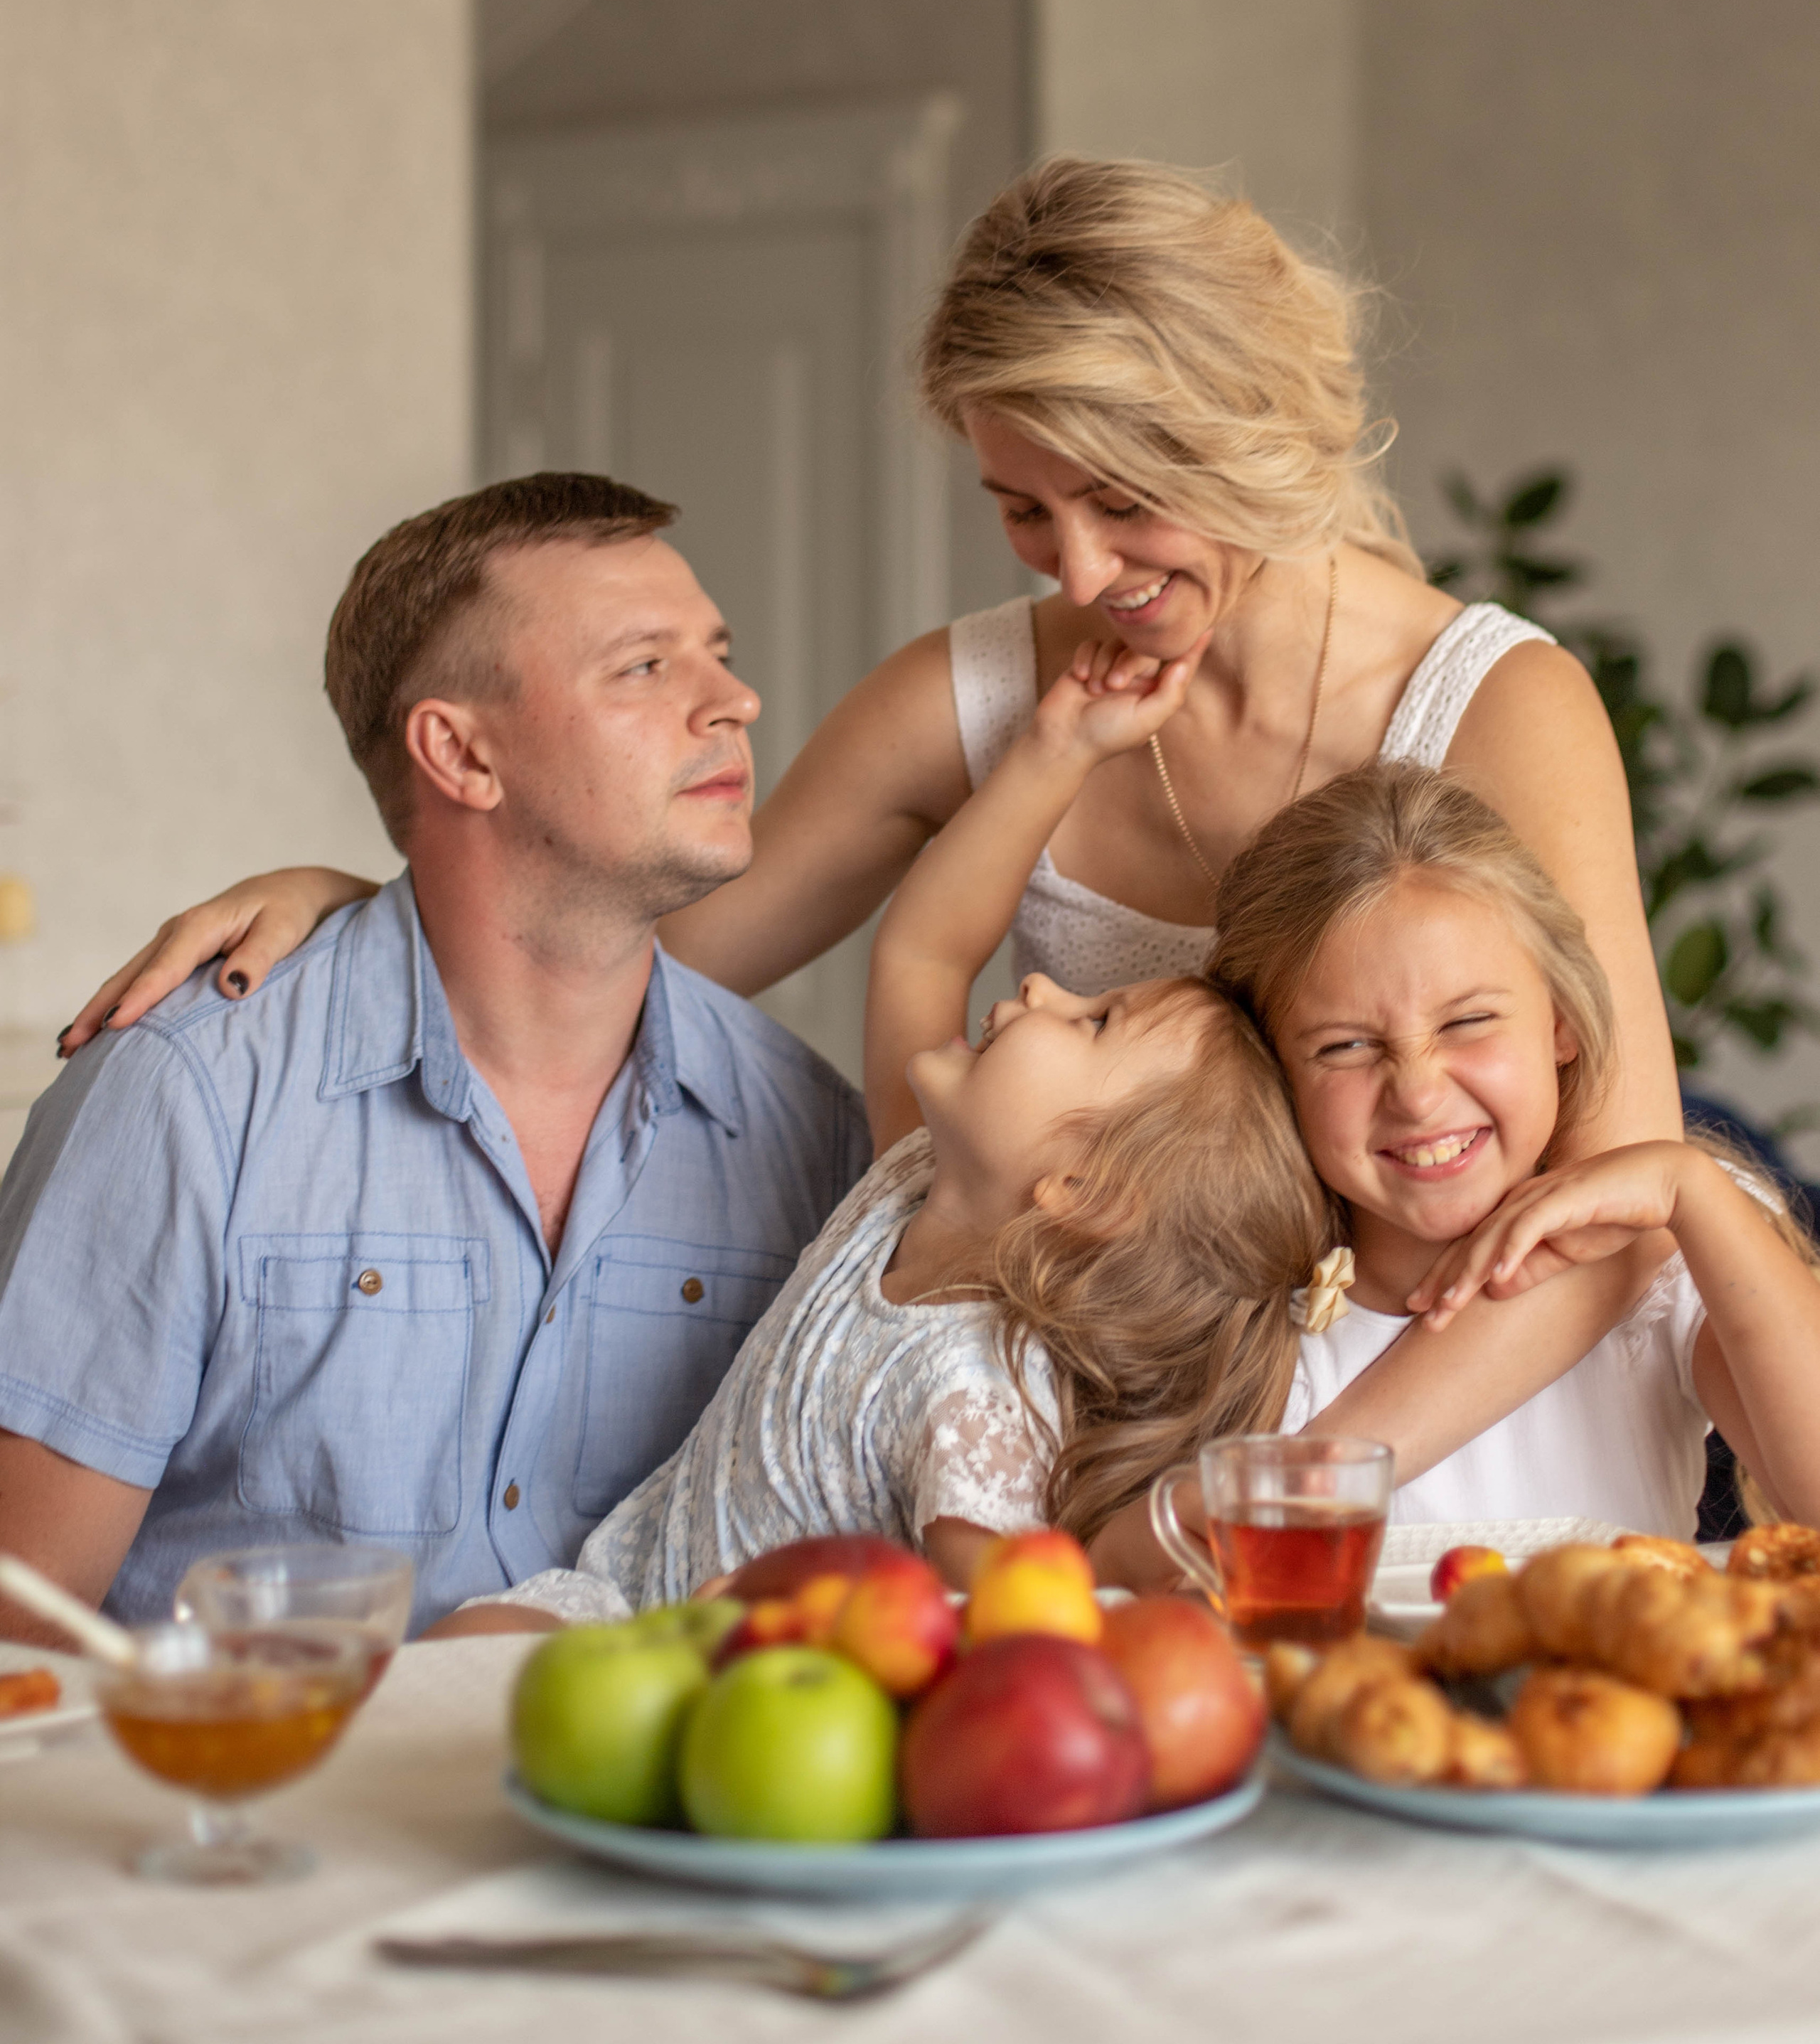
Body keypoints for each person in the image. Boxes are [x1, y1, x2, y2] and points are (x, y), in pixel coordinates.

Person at [58, 159, 1680, 1467]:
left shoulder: (1489, 705)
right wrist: (361, 893)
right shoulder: (979, 699)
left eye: (1123, 499)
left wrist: (1304, 1482)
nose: (1082, 574)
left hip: (1456, 1416)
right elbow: (635, 963)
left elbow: (1616, 1205)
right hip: (1100, 1447)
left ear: (1251, 433)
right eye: (1023, 511)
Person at [0, 476, 868, 1640]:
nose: (738, 701)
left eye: (717, 652)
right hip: (255, 1805)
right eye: (645, 666)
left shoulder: (809, 1132)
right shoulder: (187, 1095)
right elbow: (22, 1630)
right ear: (459, 754)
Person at [429, 629, 1340, 1635]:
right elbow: (922, 950)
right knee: (457, 1646)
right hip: (614, 1603)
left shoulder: (976, 1396)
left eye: (1092, 1023)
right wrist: (1058, 751)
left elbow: (1006, 1620)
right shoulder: (912, 1173)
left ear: (1082, 1189)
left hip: (753, 1683)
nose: (1041, 985)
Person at [1192, 761, 1820, 1538]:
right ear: (1270, 1068)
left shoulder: (1651, 1258)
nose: (1417, 1093)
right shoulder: (1241, 1313)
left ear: (1559, 1021)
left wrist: (1690, 1187)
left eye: (1467, 1022)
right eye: (1346, 1046)